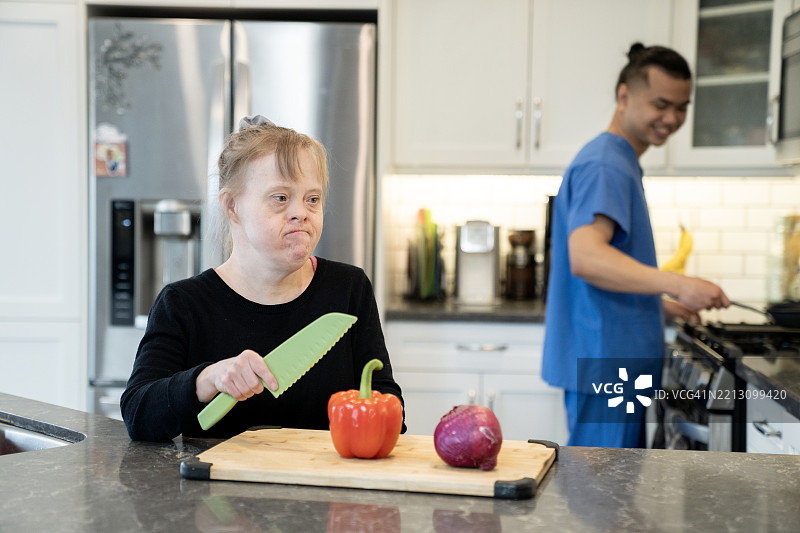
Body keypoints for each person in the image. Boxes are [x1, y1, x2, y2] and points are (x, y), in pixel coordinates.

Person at [121, 116, 404, 442]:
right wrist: (209, 379)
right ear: (232, 206)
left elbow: (385, 399)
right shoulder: (183, 304)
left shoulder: (349, 289)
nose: (302, 212)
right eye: (280, 198)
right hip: (215, 489)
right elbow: (138, 415)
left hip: (324, 486)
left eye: (312, 199)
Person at [541, 44, 730, 448]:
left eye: (682, 107)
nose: (673, 118)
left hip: (612, 362)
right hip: (608, 366)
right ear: (624, 95)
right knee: (600, 499)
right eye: (661, 104)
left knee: (607, 496)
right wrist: (678, 283)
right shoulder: (606, 164)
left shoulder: (618, 159)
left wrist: (657, 304)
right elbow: (588, 257)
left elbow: (605, 272)